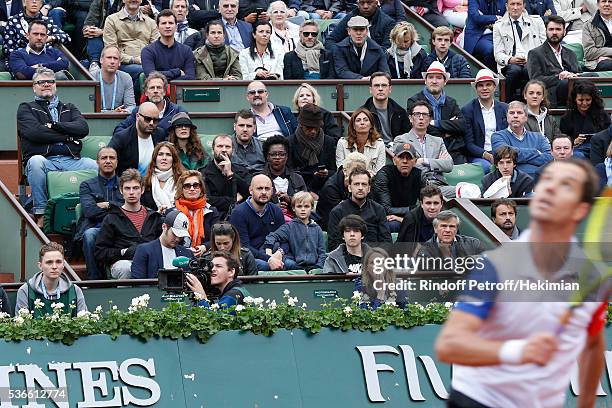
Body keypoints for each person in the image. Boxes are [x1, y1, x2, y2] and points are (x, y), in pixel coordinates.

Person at [435, 158, 607, 408]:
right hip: (478, 400)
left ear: (580, 210)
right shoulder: (495, 266)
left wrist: (586, 403)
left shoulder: (591, 277)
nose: (549, 187)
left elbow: (592, 344)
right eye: (547, 179)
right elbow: (449, 345)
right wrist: (518, 351)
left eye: (565, 185)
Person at [18, 68, 97, 226]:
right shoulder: (26, 108)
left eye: (50, 81)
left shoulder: (69, 107)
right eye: (41, 82)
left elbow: (82, 129)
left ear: (56, 85)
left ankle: (94, 211)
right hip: (46, 161)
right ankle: (40, 213)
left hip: (71, 160)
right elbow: (35, 133)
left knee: (94, 165)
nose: (46, 84)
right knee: (35, 162)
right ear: (34, 87)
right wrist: (68, 136)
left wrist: (53, 125)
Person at [95, 169, 163, 279]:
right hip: (123, 262)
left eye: (135, 188)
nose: (131, 192)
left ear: (142, 190)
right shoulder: (111, 218)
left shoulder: (154, 217)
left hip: (150, 261)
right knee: (125, 267)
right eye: (127, 188)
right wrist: (123, 252)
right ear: (121, 191)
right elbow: (100, 253)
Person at [76, 147, 124, 280]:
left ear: (117, 162)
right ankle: (95, 281)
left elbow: (128, 210)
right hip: (96, 228)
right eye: (104, 158)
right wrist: (117, 207)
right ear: (97, 162)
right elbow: (89, 211)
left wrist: (108, 204)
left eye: (112, 158)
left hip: (120, 228)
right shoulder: (87, 185)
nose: (108, 161)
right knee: (89, 235)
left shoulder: (125, 184)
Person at [407, 61, 467, 164]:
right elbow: (419, 127)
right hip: (424, 150)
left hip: (452, 150)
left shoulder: (451, 102)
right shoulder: (414, 101)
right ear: (425, 81)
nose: (434, 81)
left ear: (445, 82)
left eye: (439, 78)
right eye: (431, 77)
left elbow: (461, 125)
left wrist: (435, 123)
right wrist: (447, 131)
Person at [394, 101, 455, 197]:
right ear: (410, 118)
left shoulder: (437, 141)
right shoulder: (401, 140)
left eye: (425, 115)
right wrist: (437, 162)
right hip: (416, 185)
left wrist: (424, 161)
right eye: (417, 114)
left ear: (430, 119)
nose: (421, 118)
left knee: (469, 189)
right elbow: (408, 165)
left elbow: (449, 165)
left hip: (439, 185)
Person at [229, 174, 286, 271]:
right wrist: (269, 259)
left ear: (272, 191)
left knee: (292, 264)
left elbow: (285, 238)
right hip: (249, 257)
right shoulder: (238, 213)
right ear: (251, 190)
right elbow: (244, 247)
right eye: (259, 188)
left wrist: (280, 252)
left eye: (267, 189)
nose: (264, 192)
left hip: (274, 253)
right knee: (265, 266)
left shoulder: (276, 211)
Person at [327, 167, 391, 251]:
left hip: (373, 258)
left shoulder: (378, 210)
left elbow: (386, 242)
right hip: (347, 259)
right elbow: (334, 245)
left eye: (364, 184)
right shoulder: (337, 211)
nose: (360, 188)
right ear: (349, 188)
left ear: (369, 188)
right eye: (356, 184)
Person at [493, 0, 546, 102]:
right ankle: (506, 104)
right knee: (514, 70)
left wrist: (531, 59)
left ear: (524, 6)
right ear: (506, 6)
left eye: (518, 4)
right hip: (510, 63)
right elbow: (498, 54)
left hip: (532, 61)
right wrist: (510, 59)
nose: (515, 7)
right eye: (512, 4)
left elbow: (545, 48)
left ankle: (529, 104)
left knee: (528, 70)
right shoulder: (498, 26)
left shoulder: (537, 21)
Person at [15, 242, 87, 317]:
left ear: (63, 265)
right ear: (40, 266)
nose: (54, 266)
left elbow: (83, 324)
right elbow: (21, 326)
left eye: (58, 262)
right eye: (49, 262)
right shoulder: (25, 291)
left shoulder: (75, 291)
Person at [527, 15, 583, 107]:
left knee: (593, 76)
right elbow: (535, 80)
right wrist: (560, 77)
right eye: (551, 29)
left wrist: (572, 75)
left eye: (558, 29)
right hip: (553, 93)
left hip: (574, 88)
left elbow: (578, 73)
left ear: (564, 32)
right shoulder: (535, 53)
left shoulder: (570, 53)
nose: (554, 32)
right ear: (546, 32)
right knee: (566, 82)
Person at [263, 191, 326, 271]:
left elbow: (321, 252)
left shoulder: (317, 228)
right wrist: (269, 252)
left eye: (306, 206)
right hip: (295, 264)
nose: (303, 209)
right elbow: (272, 236)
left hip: (313, 265)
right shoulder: (289, 227)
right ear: (293, 208)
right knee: (288, 263)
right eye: (299, 206)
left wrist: (319, 266)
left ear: (311, 208)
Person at [462, 69, 509, 174]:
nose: (484, 88)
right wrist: (486, 155)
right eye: (480, 85)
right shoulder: (468, 110)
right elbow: (469, 143)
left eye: (488, 84)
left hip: (502, 152)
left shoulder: (505, 108)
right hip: (480, 155)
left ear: (494, 87)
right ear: (476, 88)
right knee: (487, 167)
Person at [113, 72, 188, 138]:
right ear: (146, 92)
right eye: (152, 88)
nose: (155, 91)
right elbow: (119, 130)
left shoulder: (177, 111)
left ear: (165, 91)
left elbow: (187, 134)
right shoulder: (138, 111)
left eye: (159, 88)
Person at [102, 0, 159, 84]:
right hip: (123, 64)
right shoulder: (111, 20)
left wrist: (146, 59)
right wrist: (133, 60)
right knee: (146, 72)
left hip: (146, 62)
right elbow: (110, 50)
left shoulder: (151, 22)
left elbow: (156, 49)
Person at [372, 142, 423, 233]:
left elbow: (426, 207)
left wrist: (402, 218)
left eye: (409, 158)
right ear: (394, 160)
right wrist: (413, 209)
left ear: (415, 161)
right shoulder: (384, 174)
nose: (404, 161)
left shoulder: (419, 175)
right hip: (385, 218)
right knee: (393, 225)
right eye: (401, 157)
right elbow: (386, 209)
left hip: (407, 217)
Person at [492, 101, 553, 176]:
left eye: (519, 113)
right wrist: (535, 152)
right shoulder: (498, 136)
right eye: (511, 113)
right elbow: (504, 155)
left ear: (526, 117)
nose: (515, 116)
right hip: (513, 181)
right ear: (507, 116)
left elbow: (548, 158)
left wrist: (516, 156)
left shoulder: (539, 137)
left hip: (539, 181)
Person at [288, 103, 337, 195]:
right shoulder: (290, 142)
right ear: (301, 125)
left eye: (316, 127)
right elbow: (289, 171)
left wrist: (326, 173)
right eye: (309, 128)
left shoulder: (328, 142)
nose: (313, 131)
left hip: (323, 188)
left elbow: (333, 170)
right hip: (298, 188)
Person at [131, 209, 194, 278]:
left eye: (181, 236)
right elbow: (138, 282)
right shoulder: (144, 250)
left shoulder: (187, 254)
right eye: (174, 234)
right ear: (164, 227)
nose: (177, 239)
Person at [109, 102, 166, 176]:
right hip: (129, 184)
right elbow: (107, 159)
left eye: (155, 120)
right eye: (147, 119)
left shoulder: (160, 134)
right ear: (137, 116)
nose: (151, 123)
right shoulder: (122, 138)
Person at [201, 134, 251, 219]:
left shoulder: (242, 170)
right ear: (213, 150)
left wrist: (231, 174)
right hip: (214, 218)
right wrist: (234, 200)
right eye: (220, 146)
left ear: (233, 150)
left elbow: (251, 193)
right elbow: (206, 200)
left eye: (227, 147)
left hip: (240, 217)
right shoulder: (203, 173)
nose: (224, 150)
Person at [172, 170, 220, 256]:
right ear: (181, 189)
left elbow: (217, 238)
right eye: (187, 186)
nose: (192, 189)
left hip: (205, 256)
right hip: (178, 256)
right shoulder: (172, 213)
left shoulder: (212, 211)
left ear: (201, 189)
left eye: (196, 185)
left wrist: (204, 247)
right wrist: (185, 251)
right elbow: (168, 240)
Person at [559, 80, 611, 159]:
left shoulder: (602, 115)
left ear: (593, 99)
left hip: (600, 149)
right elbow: (563, 140)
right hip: (579, 150)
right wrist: (574, 142)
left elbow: (609, 135)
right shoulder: (566, 118)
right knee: (577, 156)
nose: (584, 103)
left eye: (588, 100)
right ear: (575, 99)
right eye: (580, 100)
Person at [316, 152, 368, 229]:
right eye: (354, 170)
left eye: (361, 171)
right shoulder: (330, 188)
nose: (358, 174)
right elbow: (339, 216)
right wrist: (351, 190)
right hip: (334, 226)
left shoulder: (364, 184)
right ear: (345, 170)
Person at [261, 136, 308, 220]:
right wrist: (273, 208)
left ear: (287, 157)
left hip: (296, 222)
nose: (277, 158)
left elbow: (306, 204)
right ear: (267, 157)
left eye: (282, 154)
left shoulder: (297, 179)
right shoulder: (259, 179)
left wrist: (290, 200)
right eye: (273, 154)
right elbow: (253, 206)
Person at [141, 9, 196, 81]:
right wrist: (177, 72)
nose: (167, 26)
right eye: (163, 23)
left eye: (170, 23)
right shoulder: (148, 51)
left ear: (176, 27)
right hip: (157, 91)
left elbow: (191, 78)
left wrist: (161, 76)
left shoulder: (186, 51)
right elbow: (151, 76)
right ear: (157, 27)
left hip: (179, 91)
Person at [3, 0, 70, 57]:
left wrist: (50, 38)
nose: (34, 2)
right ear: (24, 3)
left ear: (41, 4)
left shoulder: (47, 21)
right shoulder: (14, 21)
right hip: (22, 60)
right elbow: (8, 50)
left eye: (37, 0)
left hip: (45, 58)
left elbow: (66, 37)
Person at [186, 251, 251, 308]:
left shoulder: (232, 295)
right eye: (211, 266)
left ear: (231, 272)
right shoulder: (236, 289)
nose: (212, 269)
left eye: (218, 266)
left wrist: (201, 296)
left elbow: (215, 321)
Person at [324, 0, 395, 50]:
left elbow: (387, 49)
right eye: (362, 3)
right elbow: (330, 40)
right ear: (357, 4)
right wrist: (340, 53)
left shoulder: (388, 22)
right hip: (349, 60)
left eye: (369, 2)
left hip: (375, 62)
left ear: (376, 3)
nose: (365, 6)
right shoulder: (350, 17)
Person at [361, 71, 409, 145]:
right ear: (370, 89)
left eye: (384, 85)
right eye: (377, 85)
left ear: (390, 89)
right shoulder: (363, 113)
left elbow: (406, 136)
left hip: (395, 150)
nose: (380, 89)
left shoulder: (400, 112)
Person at [336, 108, 386, 175]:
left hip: (372, 182)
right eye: (358, 120)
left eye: (365, 120)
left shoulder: (379, 144)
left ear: (371, 125)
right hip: (348, 181)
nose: (362, 123)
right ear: (353, 126)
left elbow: (380, 172)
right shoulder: (342, 143)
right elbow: (341, 170)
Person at [396, 185, 444, 255]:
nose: (432, 207)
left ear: (441, 204)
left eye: (436, 203)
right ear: (421, 204)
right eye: (428, 203)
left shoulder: (448, 219)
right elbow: (406, 251)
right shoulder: (411, 219)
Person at [417, 210, 485, 258]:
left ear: (456, 229)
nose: (448, 230)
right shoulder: (425, 250)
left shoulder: (473, 244)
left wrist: (467, 260)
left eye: (452, 226)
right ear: (435, 229)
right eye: (443, 226)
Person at [88, 45, 136, 113]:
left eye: (115, 58)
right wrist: (111, 113)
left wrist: (125, 111)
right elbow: (87, 109)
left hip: (119, 120)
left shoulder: (126, 78)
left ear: (119, 63)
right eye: (109, 57)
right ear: (101, 60)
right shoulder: (91, 77)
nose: (112, 61)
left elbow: (131, 106)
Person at [141, 142, 184, 212]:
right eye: (160, 154)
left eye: (168, 155)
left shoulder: (183, 181)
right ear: (155, 159)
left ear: (174, 160)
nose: (164, 158)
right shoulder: (145, 183)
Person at [464, 0, 506, 71]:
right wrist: (496, 17)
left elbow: (508, 18)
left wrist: (485, 18)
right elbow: (476, 18)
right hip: (479, 36)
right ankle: (493, 76)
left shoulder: (503, 1)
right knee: (490, 49)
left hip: (499, 34)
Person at [82, 0, 114, 71]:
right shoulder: (98, 1)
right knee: (92, 35)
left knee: (97, 35)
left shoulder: (125, 3)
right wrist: (88, 29)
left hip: (117, 37)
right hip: (98, 36)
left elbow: (122, 29)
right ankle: (94, 64)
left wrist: (103, 32)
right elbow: (90, 21)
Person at [583, 0, 612, 71]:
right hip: (598, 62)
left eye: (610, 1)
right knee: (606, 65)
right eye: (604, 1)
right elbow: (589, 52)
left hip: (606, 59)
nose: (607, 4)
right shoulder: (588, 25)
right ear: (598, 4)